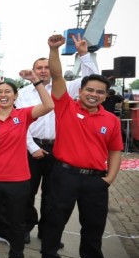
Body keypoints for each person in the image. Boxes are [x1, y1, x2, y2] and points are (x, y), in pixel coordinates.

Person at [39, 34, 122, 258]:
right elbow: (57, 77)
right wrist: (54, 50)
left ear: (106, 95)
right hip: (64, 176)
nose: (94, 95)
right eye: (90, 90)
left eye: (100, 92)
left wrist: (109, 179)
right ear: (81, 91)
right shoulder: (65, 107)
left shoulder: (112, 120)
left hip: (95, 180)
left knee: (94, 226)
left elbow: (116, 151)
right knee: (54, 221)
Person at [16, 33, 98, 244]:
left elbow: (92, 81)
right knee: (27, 192)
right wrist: (31, 147)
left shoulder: (67, 88)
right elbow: (20, 122)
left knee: (52, 196)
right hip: (31, 148)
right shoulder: (24, 92)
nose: (44, 70)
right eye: (39, 68)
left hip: (58, 149)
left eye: (46, 67)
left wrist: (84, 55)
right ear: (33, 71)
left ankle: (47, 232)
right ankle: (25, 227)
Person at [0, 69, 54, 258]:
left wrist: (36, 81)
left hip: (19, 180)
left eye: (7, 92)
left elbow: (49, 106)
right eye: (0, 91)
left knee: (16, 221)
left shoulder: (23, 115)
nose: (3, 94)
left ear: (15, 96)